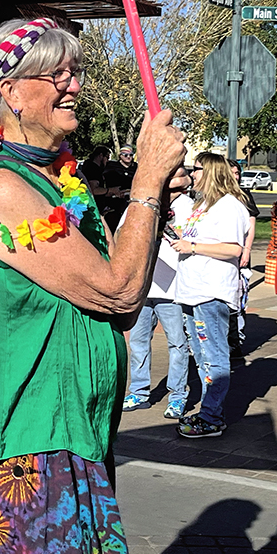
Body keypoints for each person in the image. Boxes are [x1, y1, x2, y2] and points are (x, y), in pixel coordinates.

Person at [0, 18, 185, 552]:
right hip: (23, 444)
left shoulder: (62, 179)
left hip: (71, 432)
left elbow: (123, 304)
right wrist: (146, 183)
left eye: (77, 71)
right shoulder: (0, 186)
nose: (74, 85)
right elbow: (118, 289)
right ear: (12, 93)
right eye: (56, 73)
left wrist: (154, 203)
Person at [171, 152, 249, 439]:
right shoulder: (201, 205)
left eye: (197, 169)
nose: (193, 174)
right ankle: (209, 410)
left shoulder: (229, 206)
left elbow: (233, 249)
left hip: (210, 290)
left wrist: (192, 247)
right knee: (202, 356)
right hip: (192, 290)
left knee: (214, 355)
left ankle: (212, 416)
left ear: (212, 172)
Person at [121, 165, 195, 419]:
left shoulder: (189, 207)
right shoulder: (143, 203)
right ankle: (139, 391)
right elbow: (123, 232)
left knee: (177, 342)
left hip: (173, 286)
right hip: (144, 285)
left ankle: (177, 395)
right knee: (139, 342)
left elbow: (193, 239)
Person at [228, 159, 260, 362]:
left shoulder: (244, 196)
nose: (236, 176)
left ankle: (235, 340)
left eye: (238, 173)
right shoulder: (214, 195)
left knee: (238, 298)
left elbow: (251, 223)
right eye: (231, 172)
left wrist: (247, 250)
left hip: (240, 255)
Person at [103, 144, 138, 229]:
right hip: (114, 200)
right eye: (125, 155)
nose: (128, 157)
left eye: (131, 155)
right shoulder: (112, 166)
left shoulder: (136, 168)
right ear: (120, 156)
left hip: (131, 199)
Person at [80, 145, 114, 219]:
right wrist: (110, 190)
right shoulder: (93, 169)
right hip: (94, 208)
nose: (107, 161)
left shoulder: (93, 167)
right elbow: (93, 190)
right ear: (101, 155)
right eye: (107, 157)